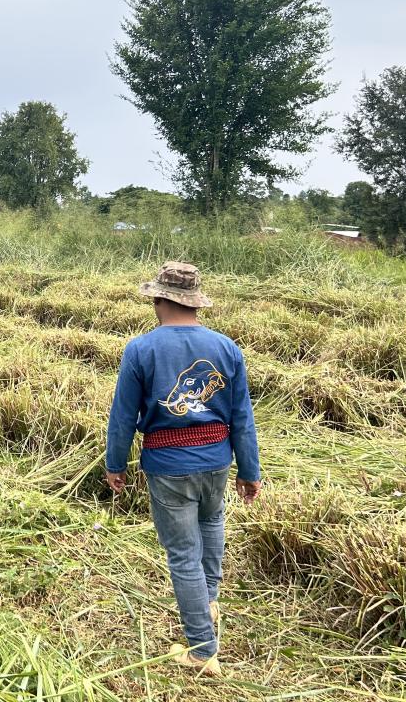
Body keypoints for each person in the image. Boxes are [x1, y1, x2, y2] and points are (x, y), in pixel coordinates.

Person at [104, 262, 261, 678]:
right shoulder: (227, 347)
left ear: (159, 300)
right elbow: (242, 416)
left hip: (169, 466)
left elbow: (123, 416)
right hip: (216, 462)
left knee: (183, 555)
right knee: (211, 530)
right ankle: (207, 603)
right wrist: (250, 470)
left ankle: (202, 649)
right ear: (193, 301)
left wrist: (115, 463)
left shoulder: (141, 349)